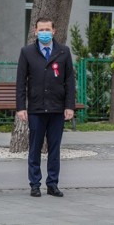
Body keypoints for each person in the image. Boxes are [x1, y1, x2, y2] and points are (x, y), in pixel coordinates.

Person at [16, 17, 75, 198]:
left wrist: (69, 106)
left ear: (54, 31)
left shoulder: (63, 52)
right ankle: (35, 184)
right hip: (36, 109)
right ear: (35, 31)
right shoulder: (27, 52)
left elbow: (69, 81)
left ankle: (52, 184)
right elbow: (21, 82)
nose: (44, 33)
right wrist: (21, 107)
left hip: (57, 109)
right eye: (41, 30)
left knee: (54, 149)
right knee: (34, 148)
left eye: (47, 29)